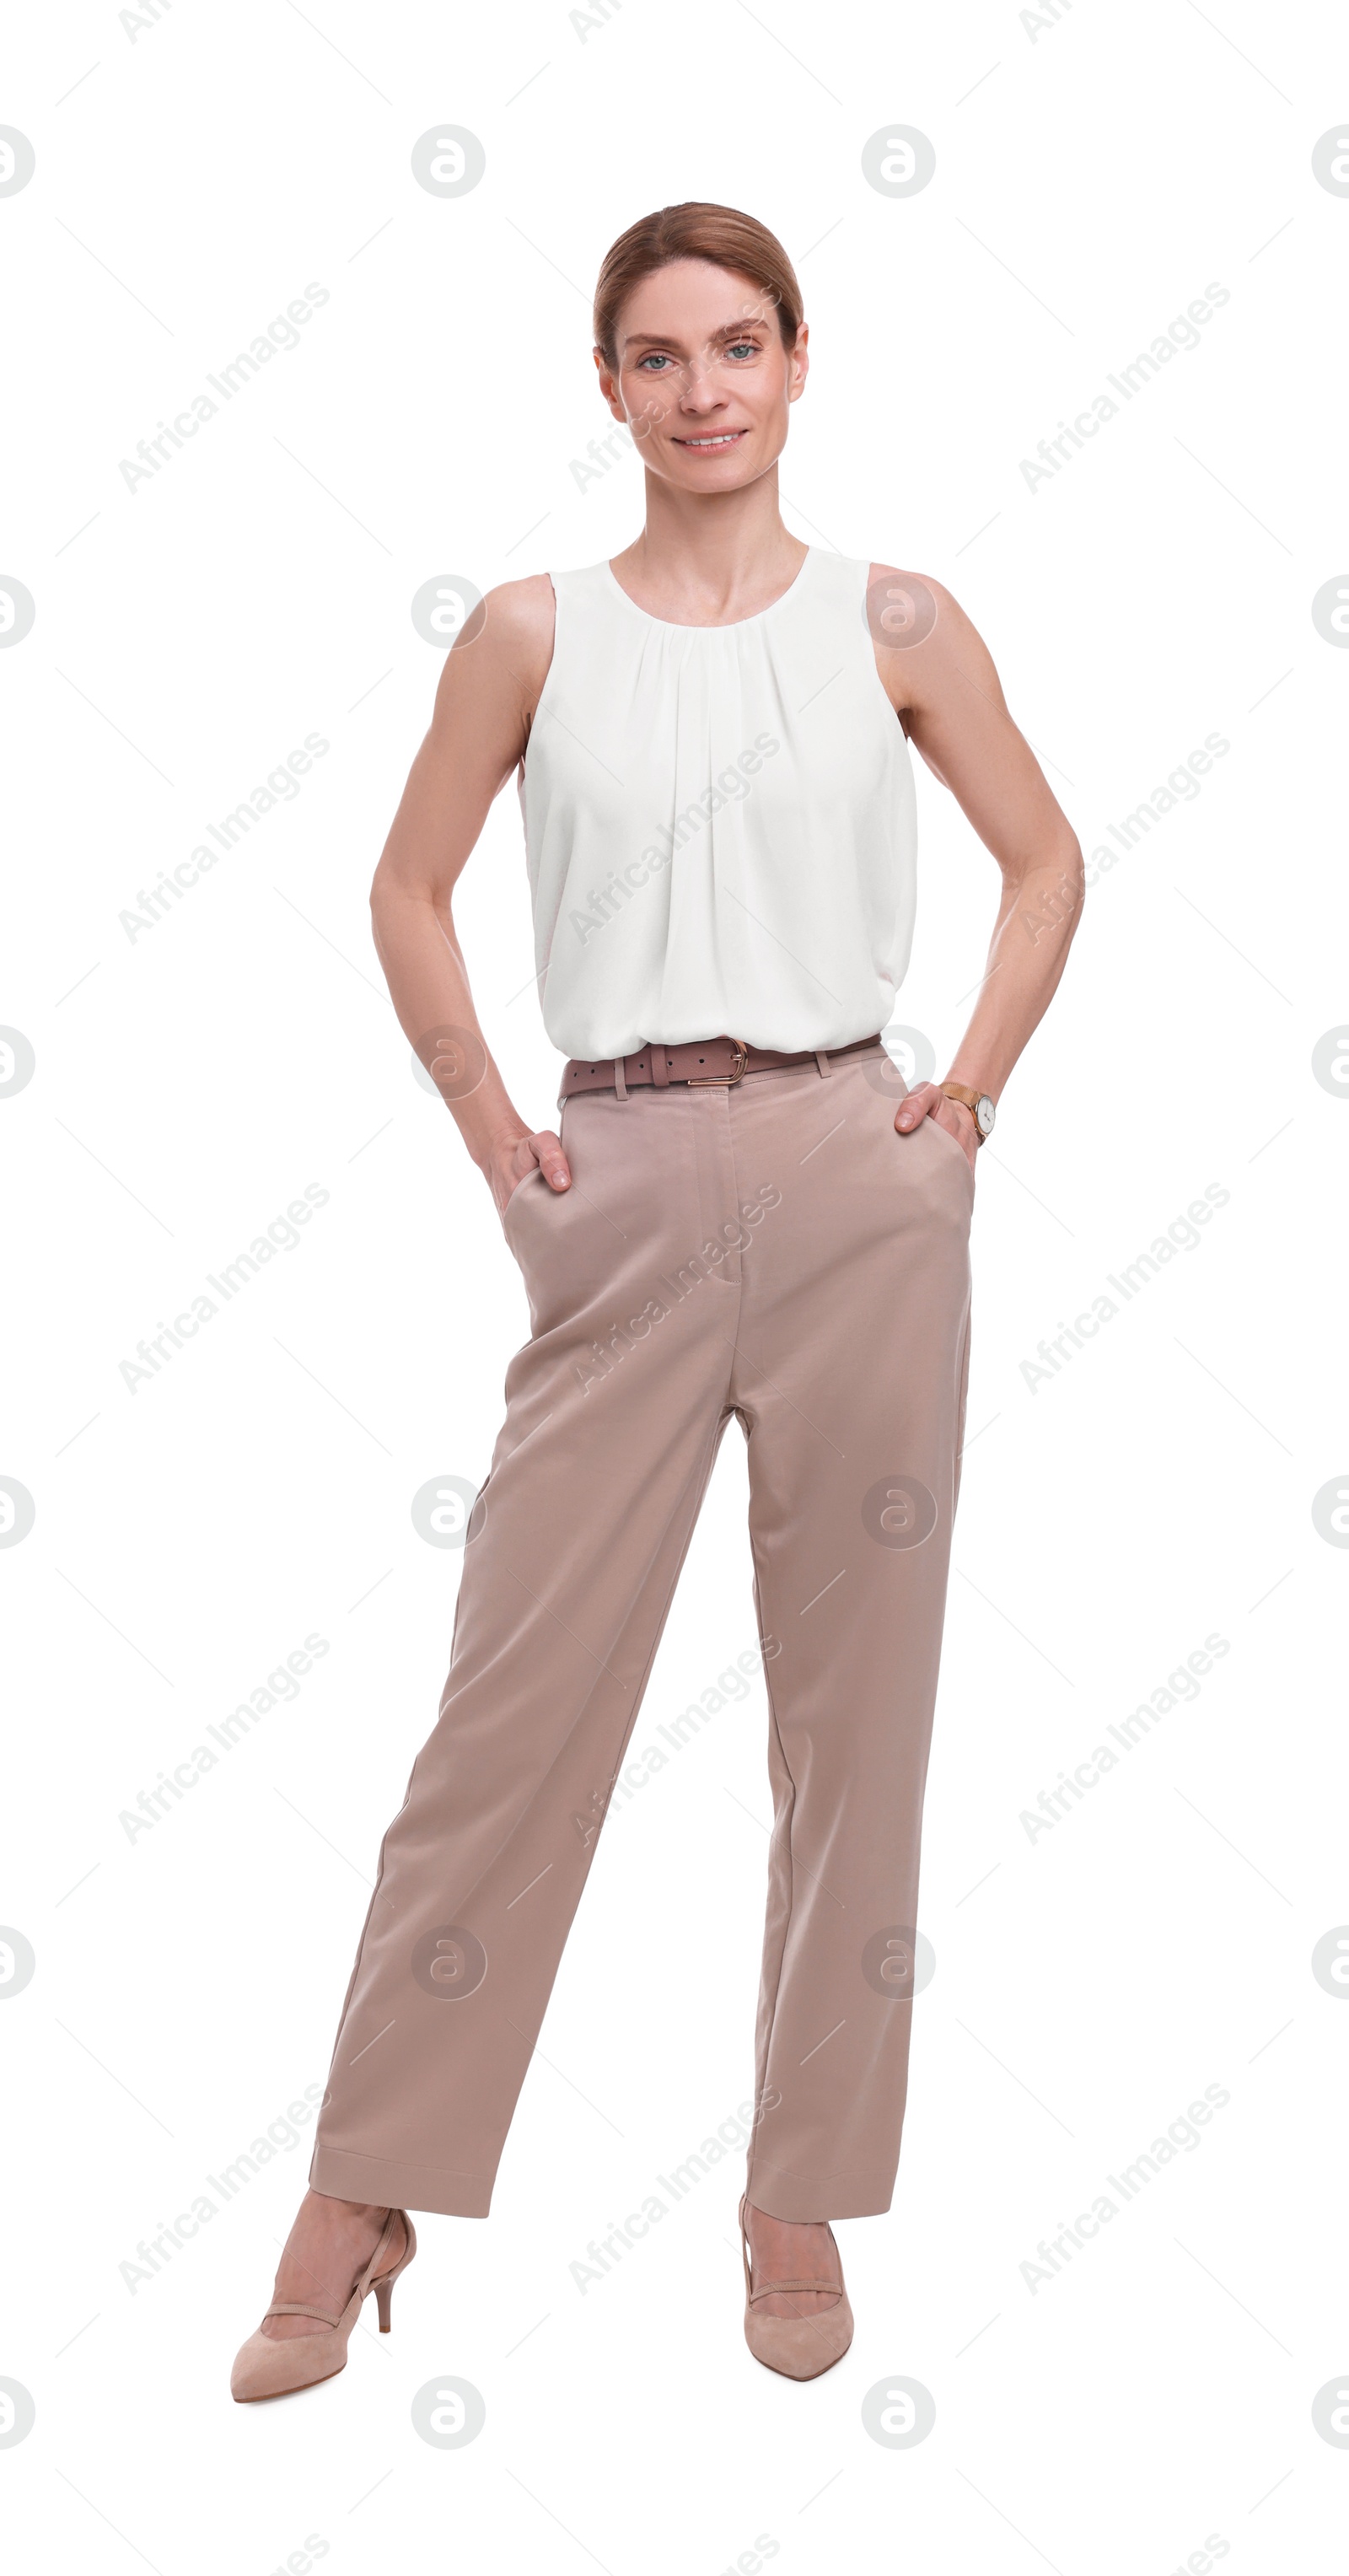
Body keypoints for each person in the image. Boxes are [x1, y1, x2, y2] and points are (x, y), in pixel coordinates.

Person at [230, 200, 1083, 2399]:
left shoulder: (898, 620)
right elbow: (407, 886)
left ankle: (799, 2192)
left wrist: (963, 1103)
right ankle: (364, 2179)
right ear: (606, 391)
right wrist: (495, 1135)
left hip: (855, 1176)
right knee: (512, 1705)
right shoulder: (530, 634)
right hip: (609, 1174)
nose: (703, 389)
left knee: (851, 1709)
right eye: (656, 356)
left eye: (739, 345)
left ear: (800, 364)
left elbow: (1048, 857)